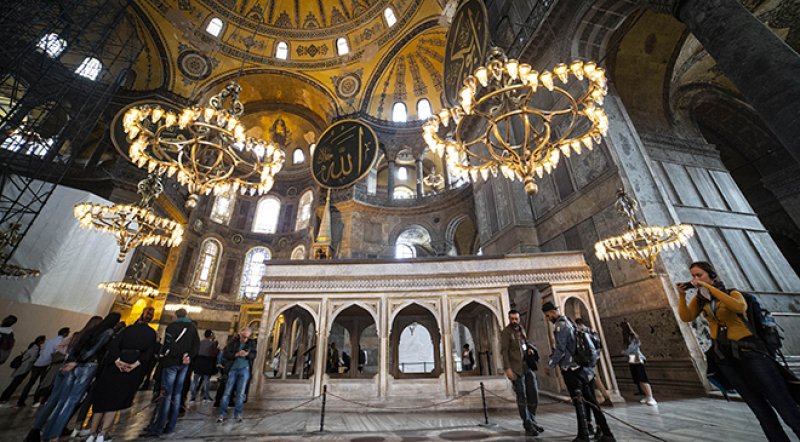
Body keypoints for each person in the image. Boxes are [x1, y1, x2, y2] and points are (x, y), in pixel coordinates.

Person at [677, 261, 800, 441]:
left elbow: (738, 307)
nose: (695, 279)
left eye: (699, 275)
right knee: (760, 410)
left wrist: (709, 288)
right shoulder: (701, 300)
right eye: (693, 276)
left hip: (751, 353)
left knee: (783, 404)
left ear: (712, 276)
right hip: (726, 359)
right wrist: (681, 296)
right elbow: (686, 317)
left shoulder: (732, 293)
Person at [26, 312, 120, 442]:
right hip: (84, 366)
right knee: (69, 402)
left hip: (68, 365)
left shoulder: (81, 333)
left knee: (54, 400)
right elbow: (93, 351)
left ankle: (35, 431)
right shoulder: (107, 333)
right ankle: (53, 435)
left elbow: (72, 349)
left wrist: (69, 360)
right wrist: (77, 362)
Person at [543, 302, 615, 442]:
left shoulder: (560, 326)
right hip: (582, 368)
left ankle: (584, 435)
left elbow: (561, 349)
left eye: (547, 315)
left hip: (572, 370)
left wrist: (550, 365)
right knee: (591, 401)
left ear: (552, 312)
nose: (547, 318)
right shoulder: (569, 321)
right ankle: (606, 432)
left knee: (579, 403)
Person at [85, 307, 157, 442]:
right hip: (130, 370)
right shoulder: (151, 333)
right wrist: (133, 365)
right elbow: (148, 354)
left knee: (102, 401)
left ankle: (92, 433)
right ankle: (103, 434)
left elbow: (114, 346)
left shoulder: (127, 329)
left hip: (114, 367)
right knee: (114, 403)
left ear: (140, 316)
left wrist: (118, 361)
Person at [142, 308, 199, 438]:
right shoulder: (192, 328)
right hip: (184, 364)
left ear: (175, 315)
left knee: (166, 395)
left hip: (171, 363)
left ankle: (158, 427)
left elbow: (169, 345)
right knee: (177, 394)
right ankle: (171, 426)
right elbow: (196, 345)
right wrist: (188, 356)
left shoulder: (172, 327)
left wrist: (173, 356)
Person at [500, 309, 543, 437]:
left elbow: (524, 344)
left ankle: (533, 420)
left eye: (516, 319)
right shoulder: (506, 332)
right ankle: (527, 423)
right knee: (522, 396)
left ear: (519, 319)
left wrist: (529, 350)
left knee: (533, 393)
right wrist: (507, 369)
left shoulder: (521, 329)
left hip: (527, 366)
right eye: (512, 319)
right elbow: (504, 351)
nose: (514, 321)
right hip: (516, 369)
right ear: (509, 319)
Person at [17, 328, 70, 408]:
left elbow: (42, 351)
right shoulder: (61, 342)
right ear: (65, 333)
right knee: (42, 383)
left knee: (30, 383)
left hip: (37, 363)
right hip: (46, 364)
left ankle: (21, 401)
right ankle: (36, 401)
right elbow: (58, 354)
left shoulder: (49, 341)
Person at [217, 327, 257, 423]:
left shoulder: (251, 343)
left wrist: (246, 354)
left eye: (247, 336)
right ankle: (222, 413)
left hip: (244, 369)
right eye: (243, 335)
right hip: (233, 369)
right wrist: (237, 354)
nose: (245, 338)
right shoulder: (233, 342)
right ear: (240, 333)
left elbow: (254, 355)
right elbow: (226, 354)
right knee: (227, 392)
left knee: (241, 393)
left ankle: (238, 413)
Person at [0, 335, 45, 406]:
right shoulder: (35, 348)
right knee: (14, 384)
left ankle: (3, 398)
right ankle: (3, 400)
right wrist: (38, 359)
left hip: (22, 368)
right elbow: (32, 359)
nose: (43, 343)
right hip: (24, 368)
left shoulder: (32, 346)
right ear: (40, 341)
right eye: (43, 341)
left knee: (13, 384)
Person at [620, 321, 656, 406]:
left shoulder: (633, 337)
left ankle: (650, 397)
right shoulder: (626, 339)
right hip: (632, 358)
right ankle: (647, 396)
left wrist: (624, 352)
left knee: (642, 378)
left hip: (637, 357)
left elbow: (632, 348)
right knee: (638, 379)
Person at [191, 330, 218, 402]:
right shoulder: (212, 344)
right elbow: (214, 354)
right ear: (211, 335)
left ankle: (192, 397)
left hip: (198, 362)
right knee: (206, 381)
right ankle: (206, 397)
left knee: (195, 381)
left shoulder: (200, 342)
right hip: (207, 363)